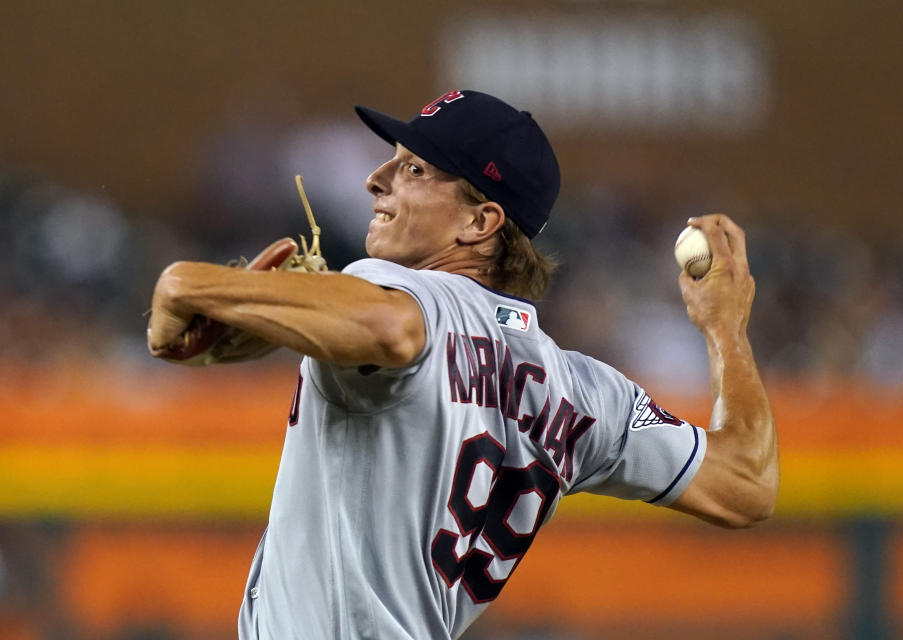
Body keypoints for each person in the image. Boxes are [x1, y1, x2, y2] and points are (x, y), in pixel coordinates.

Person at [148, 90, 778, 640]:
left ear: (481, 222)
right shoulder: (584, 391)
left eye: (413, 169)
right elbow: (745, 483)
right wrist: (726, 328)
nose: (376, 179)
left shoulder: (409, 295)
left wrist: (187, 286)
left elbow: (391, 328)